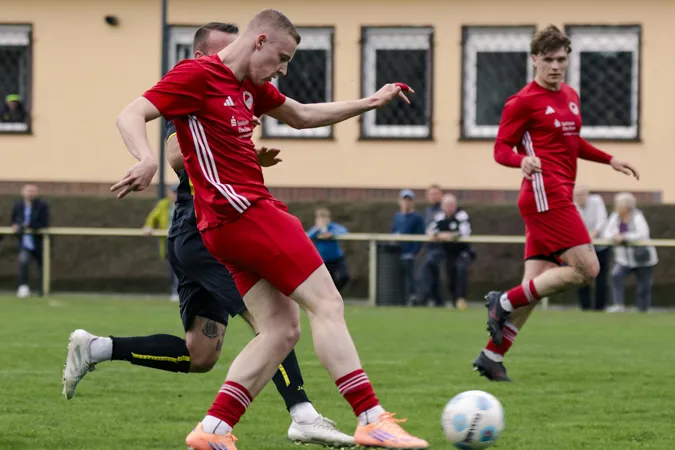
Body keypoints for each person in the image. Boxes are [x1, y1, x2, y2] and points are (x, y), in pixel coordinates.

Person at [110, 9, 427, 450]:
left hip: (223, 226)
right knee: (327, 303)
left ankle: (213, 430)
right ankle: (371, 417)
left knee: (280, 329)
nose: (283, 69)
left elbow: (301, 114)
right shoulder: (197, 75)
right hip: (245, 212)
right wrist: (146, 159)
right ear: (259, 41)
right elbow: (131, 114)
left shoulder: (249, 86)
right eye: (282, 58)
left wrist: (370, 103)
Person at [62, 22, 353, 448]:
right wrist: (219, 149)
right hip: (203, 230)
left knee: (200, 353)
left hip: (202, 233)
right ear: (201, 56)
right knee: (274, 322)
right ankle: (302, 413)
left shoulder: (236, 88)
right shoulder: (192, 86)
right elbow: (175, 153)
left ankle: (96, 348)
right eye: (223, 50)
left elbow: (300, 115)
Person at [472, 25, 639, 382]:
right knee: (587, 269)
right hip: (544, 196)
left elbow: (572, 142)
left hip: (556, 196)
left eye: (561, 59)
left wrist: (609, 159)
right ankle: (503, 301)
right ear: (534, 59)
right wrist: (521, 161)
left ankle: (491, 356)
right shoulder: (522, 101)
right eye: (548, 59)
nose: (555, 66)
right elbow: (501, 149)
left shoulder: (570, 95)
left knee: (536, 284)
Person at [604, 192, 658, 313]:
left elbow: (643, 234)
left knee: (643, 286)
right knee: (616, 275)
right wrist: (614, 236)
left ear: (626, 206)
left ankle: (643, 309)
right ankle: (618, 305)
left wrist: (625, 237)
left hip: (643, 258)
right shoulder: (615, 217)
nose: (616, 207)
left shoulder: (637, 216)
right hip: (623, 259)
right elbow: (607, 232)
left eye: (618, 204)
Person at [427, 194, 473, 310]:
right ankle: (454, 300)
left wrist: (443, 235)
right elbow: (430, 230)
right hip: (448, 252)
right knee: (450, 275)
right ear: (442, 206)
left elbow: (463, 233)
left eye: (451, 205)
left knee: (461, 270)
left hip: (463, 251)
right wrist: (443, 235)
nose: (449, 208)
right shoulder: (440, 216)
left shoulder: (462, 215)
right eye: (447, 205)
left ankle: (461, 299)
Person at [574, 186, 610, 310]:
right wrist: (585, 238)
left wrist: (593, 234)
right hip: (582, 248)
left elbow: (602, 220)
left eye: (582, 194)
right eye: (577, 195)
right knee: (582, 277)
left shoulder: (597, 201)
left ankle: (600, 307)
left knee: (601, 277)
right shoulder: (571, 205)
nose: (580, 197)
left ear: (587, 194)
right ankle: (585, 307)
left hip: (600, 247)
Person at [391, 189, 425, 305]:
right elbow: (394, 231)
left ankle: (412, 298)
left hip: (411, 254)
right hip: (398, 253)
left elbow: (421, 236)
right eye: (404, 200)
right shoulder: (397, 216)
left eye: (409, 200)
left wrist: (414, 252)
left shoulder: (417, 218)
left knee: (411, 278)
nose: (406, 202)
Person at [307, 207, 350, 292]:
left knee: (344, 276)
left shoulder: (332, 227)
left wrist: (332, 234)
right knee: (328, 281)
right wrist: (317, 229)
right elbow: (308, 236)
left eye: (325, 218)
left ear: (328, 219)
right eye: (320, 218)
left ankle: (337, 292)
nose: (323, 220)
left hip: (337, 259)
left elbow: (343, 230)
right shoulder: (316, 229)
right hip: (324, 261)